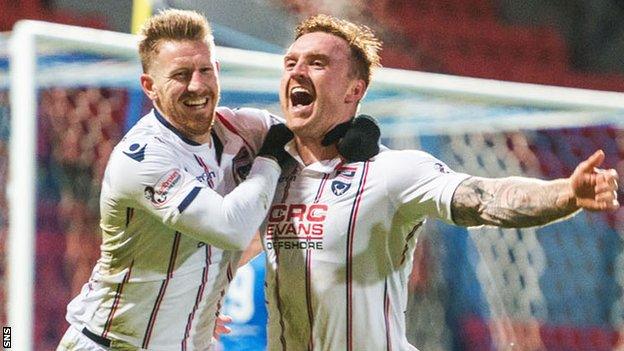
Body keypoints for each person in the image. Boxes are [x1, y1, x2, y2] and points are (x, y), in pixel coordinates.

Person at [258, 14, 620, 351]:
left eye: (317, 63)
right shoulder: (268, 175)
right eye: (290, 63)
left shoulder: (393, 172)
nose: (298, 71)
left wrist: (565, 193)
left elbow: (483, 198)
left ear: (355, 90)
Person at [56, 9, 379, 351]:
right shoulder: (142, 158)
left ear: (217, 72)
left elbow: (312, 137)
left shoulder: (244, 129)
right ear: (150, 87)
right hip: (112, 344)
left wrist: (356, 134)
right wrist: (269, 159)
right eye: (180, 74)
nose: (197, 85)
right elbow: (230, 227)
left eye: (205, 70)